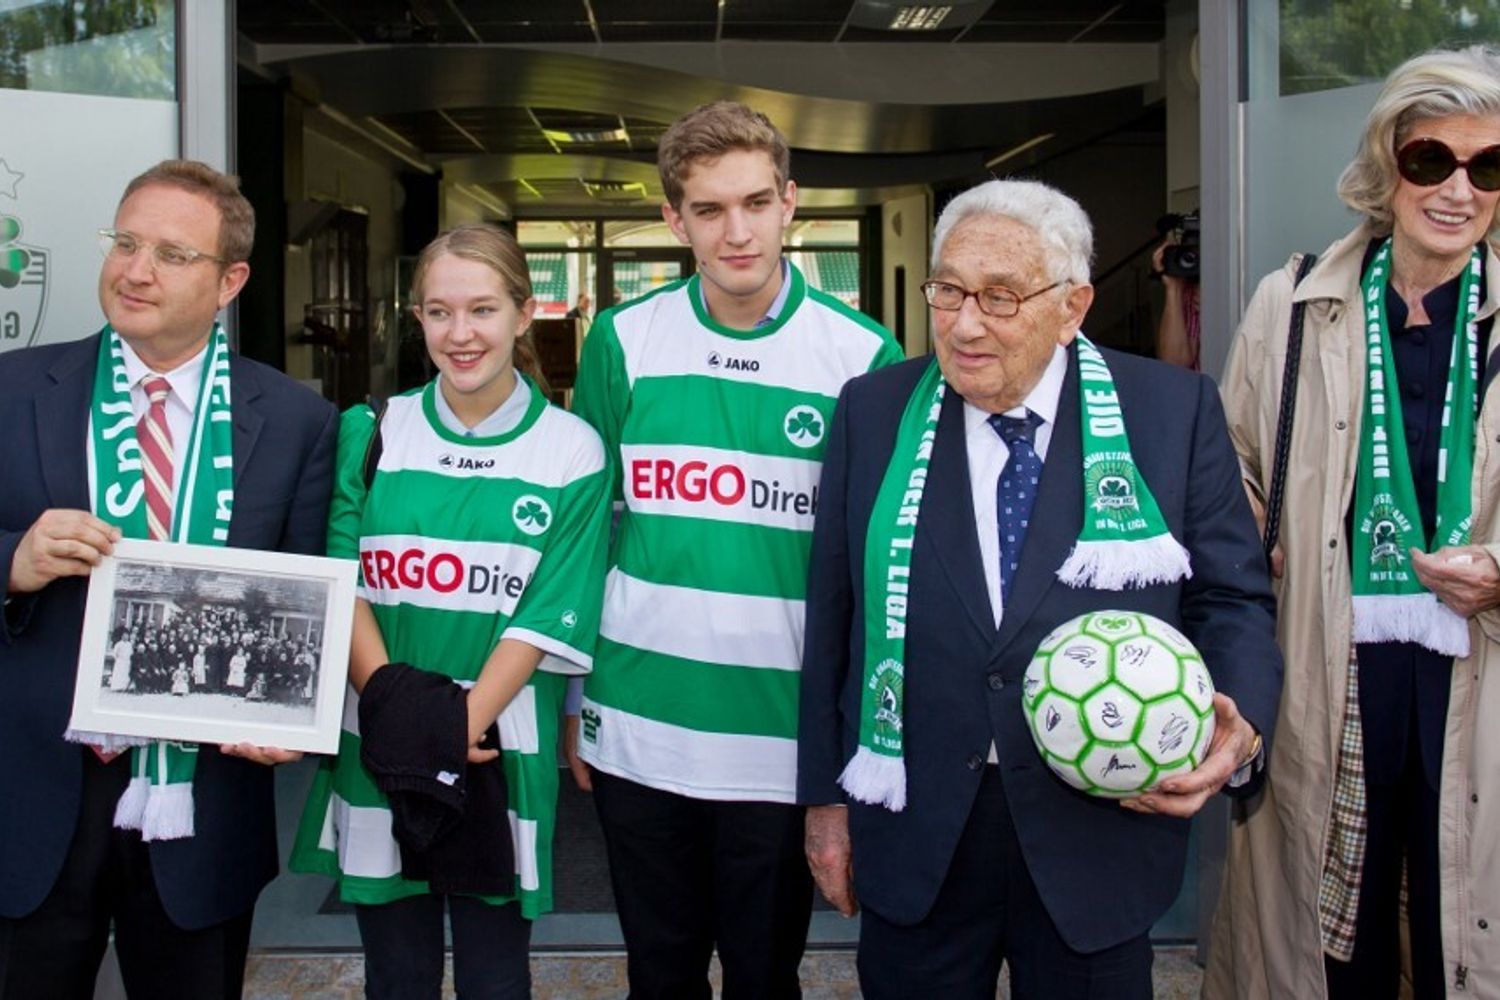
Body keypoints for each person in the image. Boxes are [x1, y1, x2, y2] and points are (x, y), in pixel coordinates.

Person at [797, 178, 1283, 1000]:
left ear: (1072, 306)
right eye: (947, 290)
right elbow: (834, 619)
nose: (964, 322)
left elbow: (1230, 599)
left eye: (999, 296)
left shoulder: (1170, 410)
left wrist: (1239, 724)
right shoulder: (873, 412)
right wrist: (824, 804)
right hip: (918, 826)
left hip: (1098, 835)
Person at [569, 100, 904, 998]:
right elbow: (586, 528)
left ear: (790, 202)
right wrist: (573, 699)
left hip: (779, 735)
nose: (738, 231)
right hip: (638, 722)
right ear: (675, 220)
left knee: (765, 975)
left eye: (756, 203)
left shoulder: (865, 354)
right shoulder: (621, 340)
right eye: (710, 210)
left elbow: (881, 569)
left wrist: (856, 736)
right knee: (659, 972)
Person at [0, 159, 337, 999]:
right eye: (125, 242)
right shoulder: (11, 391)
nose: (135, 270)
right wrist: (13, 559)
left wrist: (291, 715)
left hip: (203, 807)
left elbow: (304, 603)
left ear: (231, 281)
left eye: (171, 254)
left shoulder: (297, 421)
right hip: (35, 800)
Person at [1208, 46, 1500, 1000]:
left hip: (1478, 670)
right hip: (1328, 665)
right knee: (1337, 934)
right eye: (1432, 162)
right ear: (1387, 164)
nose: (1459, 190)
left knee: (1469, 916)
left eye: (1488, 168)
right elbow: (1229, 477)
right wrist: (1256, 527)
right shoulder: (1291, 307)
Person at [291, 222, 611, 1000]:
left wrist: (453, 727)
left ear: (523, 313)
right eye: (438, 312)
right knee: (395, 976)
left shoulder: (573, 449)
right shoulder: (372, 430)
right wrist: (408, 722)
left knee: (495, 979)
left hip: (500, 748)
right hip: (380, 743)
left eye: (482, 310)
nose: (459, 334)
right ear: (417, 317)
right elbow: (344, 582)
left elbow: (544, 617)